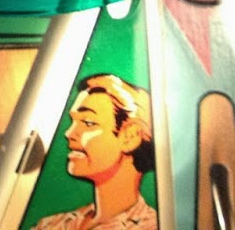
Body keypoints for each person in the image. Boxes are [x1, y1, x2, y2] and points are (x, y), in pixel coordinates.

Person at [32, 74, 157, 230]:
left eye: (88, 123)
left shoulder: (152, 226)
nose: (69, 133)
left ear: (130, 136)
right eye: (73, 121)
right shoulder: (54, 225)